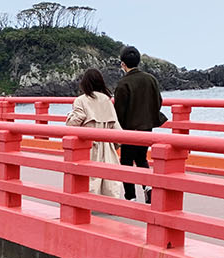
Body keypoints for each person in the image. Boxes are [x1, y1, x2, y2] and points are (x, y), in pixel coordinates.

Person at [112, 46, 165, 202]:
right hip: (146, 127)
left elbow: (119, 110)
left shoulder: (123, 83)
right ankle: (148, 187)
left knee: (126, 161)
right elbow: (159, 101)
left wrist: (117, 130)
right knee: (141, 158)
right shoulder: (151, 79)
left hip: (128, 130)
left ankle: (131, 197)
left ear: (123, 64)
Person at [65, 68, 123, 199]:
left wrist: (69, 116)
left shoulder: (81, 100)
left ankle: (89, 201)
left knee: (90, 175)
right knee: (109, 174)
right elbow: (115, 124)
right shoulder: (107, 100)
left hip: (89, 143)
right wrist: (117, 143)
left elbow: (75, 121)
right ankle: (110, 201)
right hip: (106, 142)